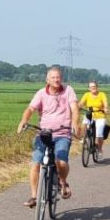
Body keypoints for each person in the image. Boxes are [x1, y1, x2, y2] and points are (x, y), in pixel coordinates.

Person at [17, 67, 80, 207]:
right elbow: (30, 109)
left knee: (61, 161)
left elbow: (75, 109)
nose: (56, 80)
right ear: (47, 80)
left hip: (62, 133)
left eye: (58, 77)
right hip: (44, 133)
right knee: (36, 163)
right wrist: (24, 121)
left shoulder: (68, 91)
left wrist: (75, 122)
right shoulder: (41, 93)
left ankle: (62, 182)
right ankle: (34, 196)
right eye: (53, 77)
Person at [78, 81, 109, 160]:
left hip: (100, 116)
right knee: (84, 122)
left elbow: (105, 103)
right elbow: (81, 103)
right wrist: (78, 106)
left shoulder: (102, 94)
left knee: (99, 134)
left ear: (97, 87)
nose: (93, 88)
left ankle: (99, 149)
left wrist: (105, 108)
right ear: (89, 88)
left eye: (94, 86)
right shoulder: (86, 95)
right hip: (90, 114)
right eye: (91, 87)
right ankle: (85, 139)